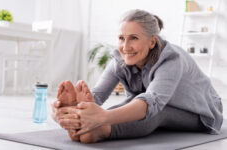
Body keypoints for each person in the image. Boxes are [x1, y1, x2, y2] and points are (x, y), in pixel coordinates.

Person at [52, 9, 223, 144]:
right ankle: (80, 125)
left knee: (154, 109)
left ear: (152, 42)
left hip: (200, 112)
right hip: (153, 103)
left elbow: (152, 101)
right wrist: (68, 112)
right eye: (121, 38)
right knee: (129, 104)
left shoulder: (171, 59)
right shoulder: (120, 60)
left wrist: (102, 117)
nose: (125, 46)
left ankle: (101, 131)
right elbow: (96, 97)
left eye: (133, 38)